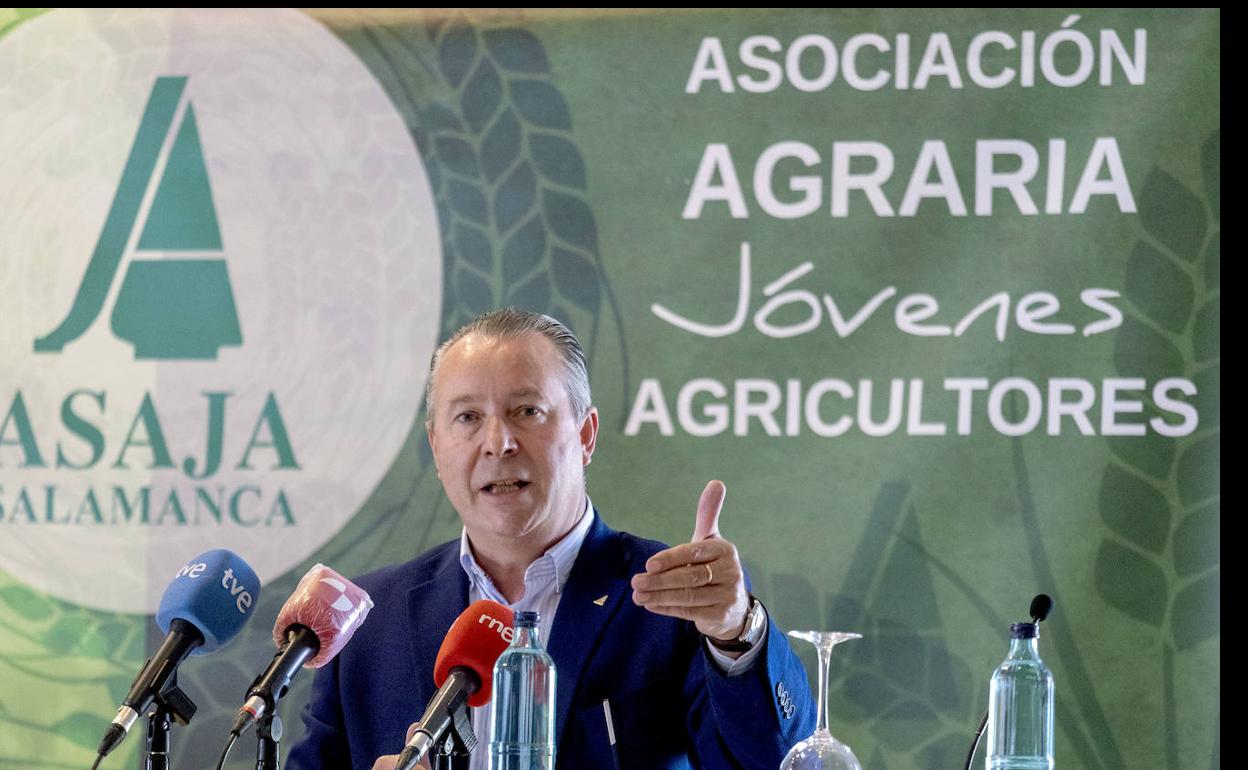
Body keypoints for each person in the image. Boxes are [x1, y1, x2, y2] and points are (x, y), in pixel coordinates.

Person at [286, 309, 815, 770]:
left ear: (585, 435)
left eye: (527, 411)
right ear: (436, 445)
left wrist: (734, 633)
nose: (498, 443)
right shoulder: (368, 624)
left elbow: (776, 763)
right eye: (468, 417)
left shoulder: (671, 600)